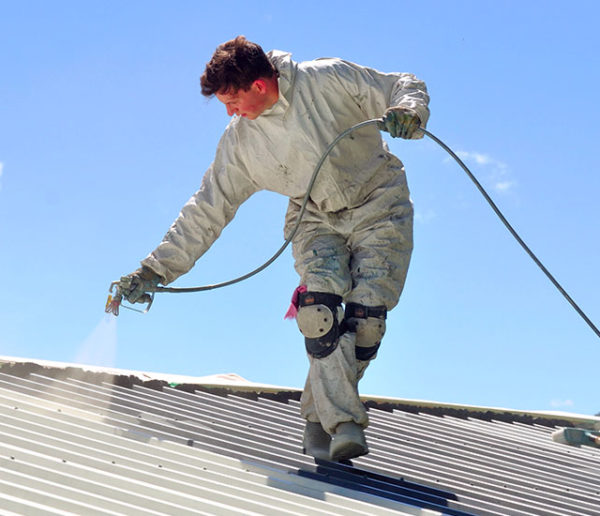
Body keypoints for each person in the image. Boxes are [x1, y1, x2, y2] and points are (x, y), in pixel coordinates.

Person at [118, 36, 430, 462]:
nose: (230, 112)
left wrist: (408, 110)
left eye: (232, 100)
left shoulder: (326, 79)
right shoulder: (240, 143)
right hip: (313, 216)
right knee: (318, 312)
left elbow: (401, 83)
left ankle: (316, 418)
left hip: (381, 204)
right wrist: (155, 270)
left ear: (259, 86)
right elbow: (208, 208)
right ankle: (345, 423)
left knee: (367, 319)